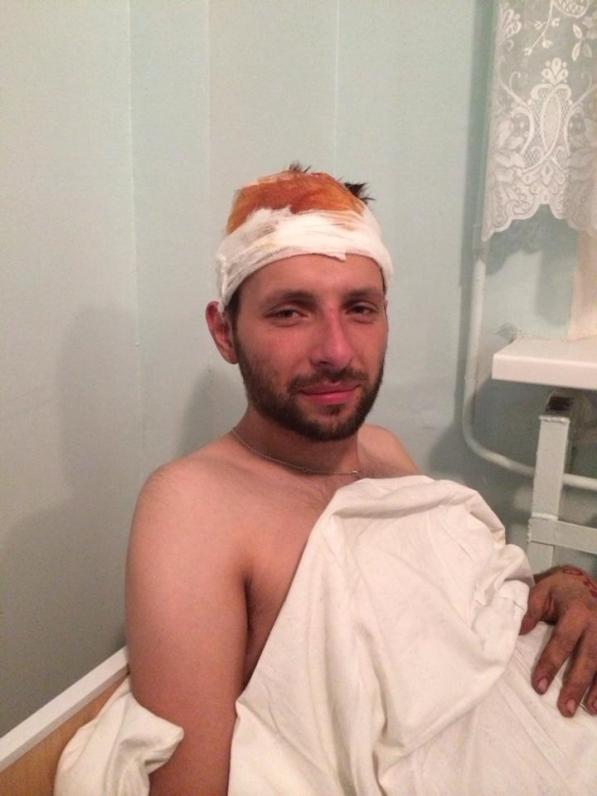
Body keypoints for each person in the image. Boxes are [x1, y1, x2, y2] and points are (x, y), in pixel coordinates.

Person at [126, 165, 597, 795]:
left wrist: (556, 587)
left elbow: (437, 622)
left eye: (360, 308)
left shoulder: (382, 450)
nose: (338, 351)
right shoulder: (193, 506)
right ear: (224, 331)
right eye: (290, 312)